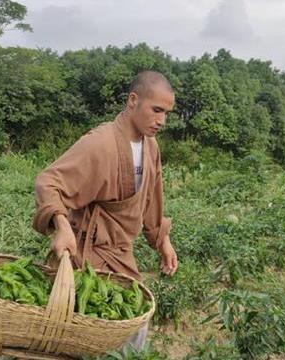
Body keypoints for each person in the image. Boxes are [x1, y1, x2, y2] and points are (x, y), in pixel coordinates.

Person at [32, 70, 178, 349]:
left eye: (167, 113)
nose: (162, 121)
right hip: (87, 254)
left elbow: (151, 198)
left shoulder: (151, 146)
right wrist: (62, 227)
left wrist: (163, 240)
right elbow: (49, 182)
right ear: (133, 100)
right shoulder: (100, 143)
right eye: (156, 110)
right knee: (83, 334)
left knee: (134, 319)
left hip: (121, 253)